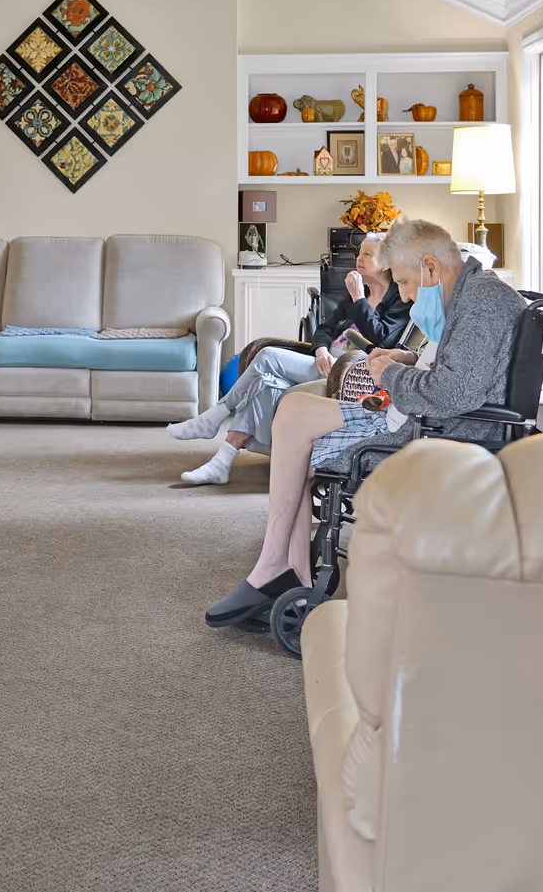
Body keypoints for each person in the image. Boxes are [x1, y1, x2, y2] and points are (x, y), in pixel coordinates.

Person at [203, 218, 524, 630]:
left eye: (406, 283)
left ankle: (279, 570)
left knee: (296, 437)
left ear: (430, 267)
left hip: (433, 431)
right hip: (415, 416)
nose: (406, 296)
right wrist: (402, 360)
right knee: (292, 411)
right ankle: (287, 568)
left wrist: (389, 374)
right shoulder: (471, 295)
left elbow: (451, 394)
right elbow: (454, 374)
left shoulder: (481, 306)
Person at [168, 233, 410, 485]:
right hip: (327, 362)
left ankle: (217, 419)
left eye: (367, 255)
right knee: (266, 377)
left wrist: (360, 298)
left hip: (353, 373)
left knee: (268, 357)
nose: (358, 259)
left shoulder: (399, 297)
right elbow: (325, 329)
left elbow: (384, 339)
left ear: (386, 263)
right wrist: (320, 350)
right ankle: (221, 460)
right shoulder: (353, 296)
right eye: (358, 253)